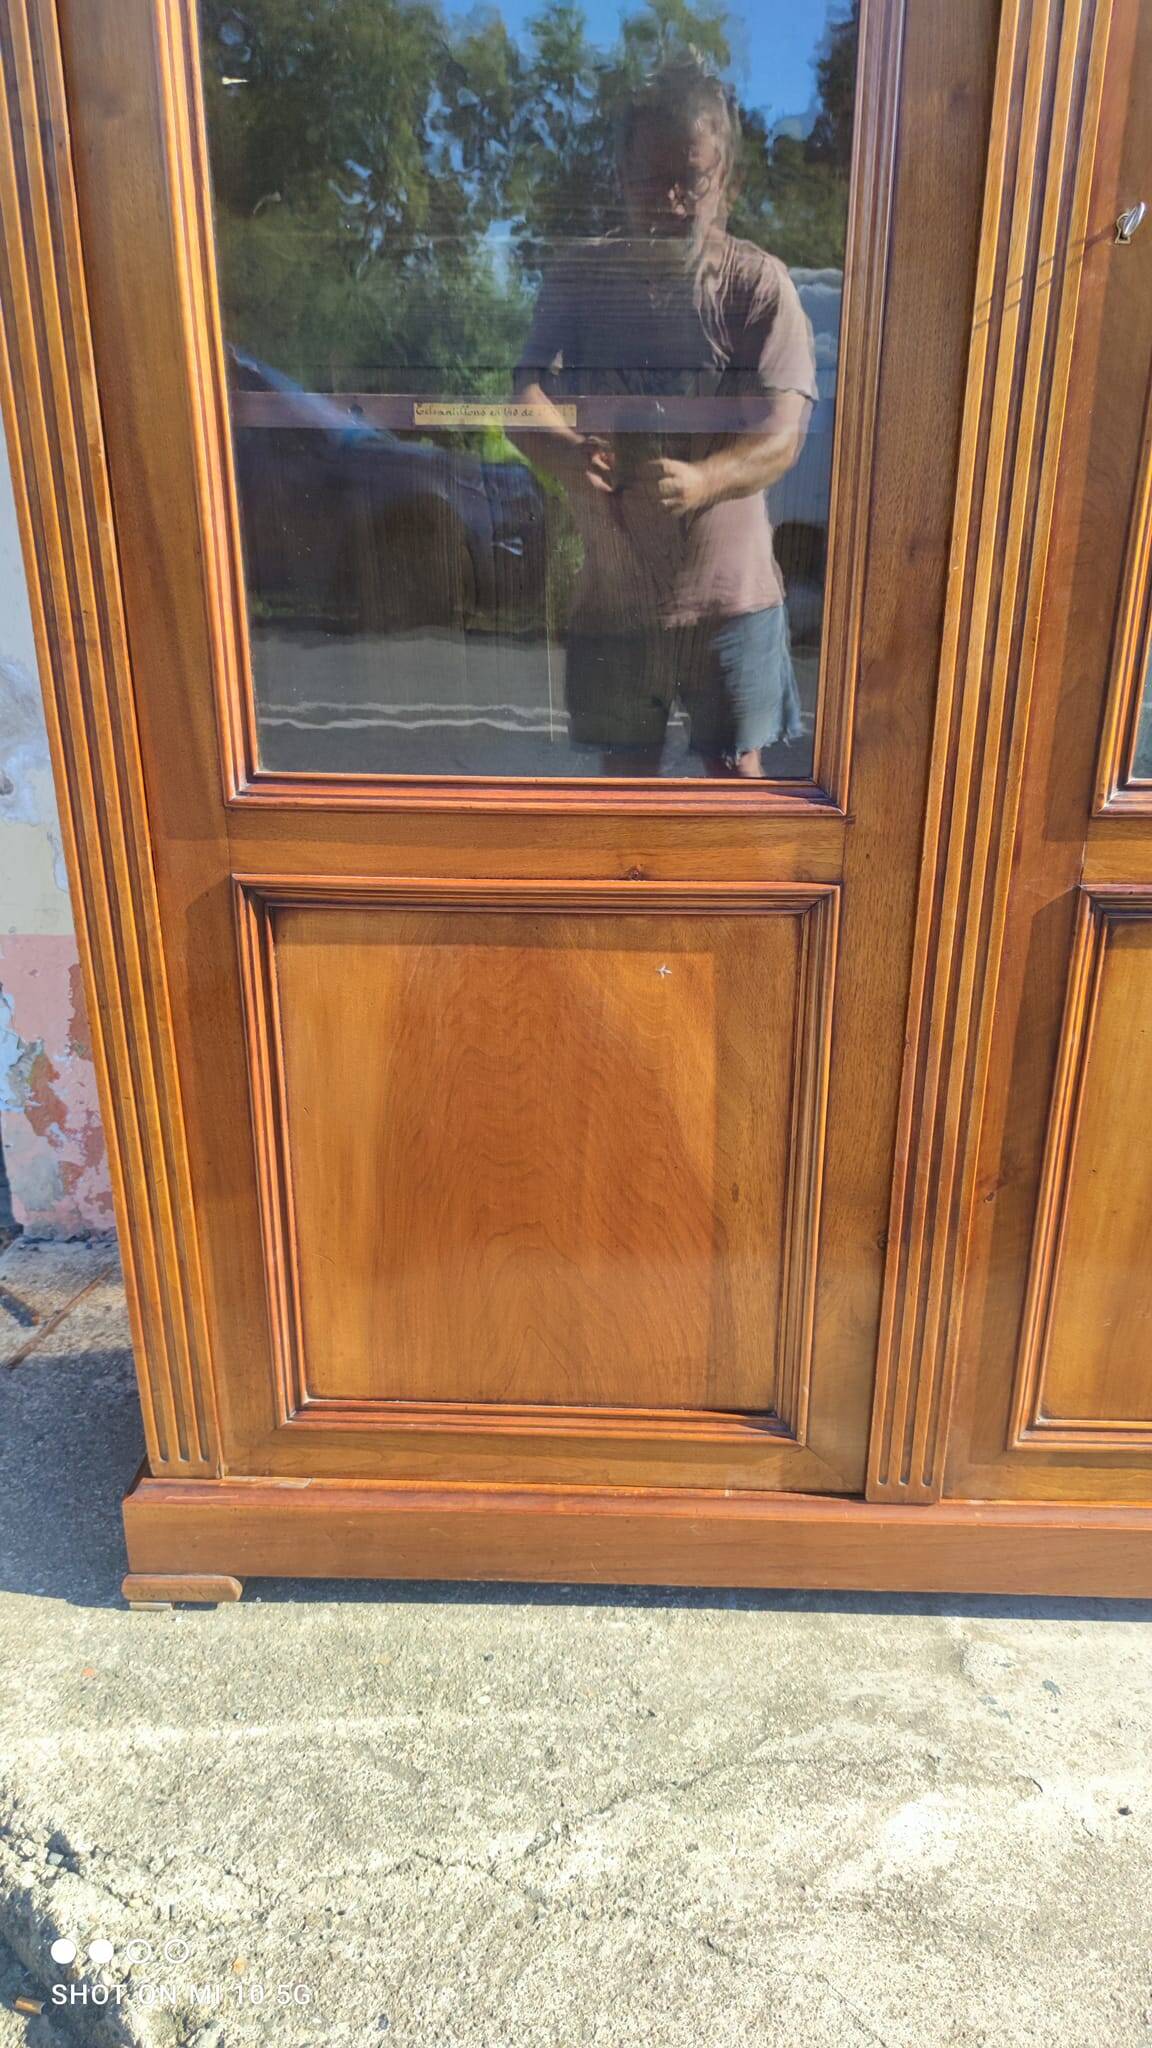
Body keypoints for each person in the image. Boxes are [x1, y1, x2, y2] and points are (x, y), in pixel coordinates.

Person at [511, 59, 818, 778]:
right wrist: (562, 450)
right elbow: (521, 398)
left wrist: (706, 479)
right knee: (626, 789)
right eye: (650, 179)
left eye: (691, 179)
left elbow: (783, 436)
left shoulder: (756, 284)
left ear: (728, 185)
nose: (670, 200)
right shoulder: (578, 279)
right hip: (615, 599)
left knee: (737, 782)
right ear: (619, 178)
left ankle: (740, 900)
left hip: (733, 600)